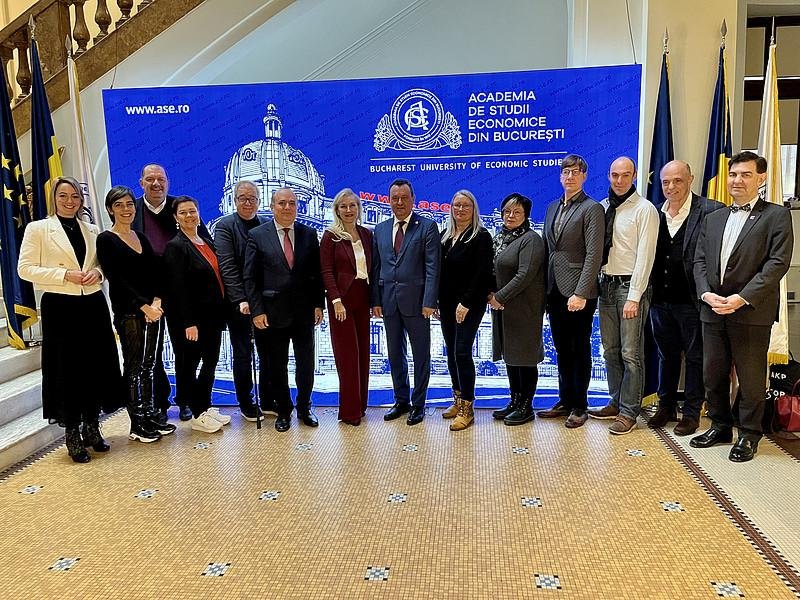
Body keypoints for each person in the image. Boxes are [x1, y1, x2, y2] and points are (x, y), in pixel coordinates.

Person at [691, 151, 793, 462]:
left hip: (750, 311)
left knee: (750, 378)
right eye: (734, 174)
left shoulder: (776, 215)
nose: (737, 180)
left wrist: (741, 298)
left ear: (761, 179)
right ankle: (720, 425)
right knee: (713, 373)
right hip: (713, 309)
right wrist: (706, 294)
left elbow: (777, 264)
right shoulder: (714, 217)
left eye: (745, 174)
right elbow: (699, 261)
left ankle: (749, 433)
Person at [18, 176, 124, 463]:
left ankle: (92, 426)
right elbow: (25, 269)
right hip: (60, 305)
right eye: (64, 196)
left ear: (81, 200)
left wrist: (99, 274)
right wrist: (63, 275)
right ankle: (72, 433)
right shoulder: (38, 229)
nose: (69, 201)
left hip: (92, 303)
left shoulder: (91, 229)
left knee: (94, 365)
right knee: (67, 369)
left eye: (75, 196)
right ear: (54, 198)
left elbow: (101, 263)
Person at [648, 160, 724, 436]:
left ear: (690, 179)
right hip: (659, 299)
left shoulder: (712, 210)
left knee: (695, 357)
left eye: (677, 180)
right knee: (666, 355)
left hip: (693, 301)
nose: (671, 187)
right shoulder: (654, 213)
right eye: (666, 182)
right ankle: (665, 406)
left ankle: (691, 412)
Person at [97, 186, 177, 444]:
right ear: (111, 209)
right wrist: (144, 307)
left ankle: (150, 414)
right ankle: (137, 422)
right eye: (119, 205)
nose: (126, 209)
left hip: (154, 310)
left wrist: (157, 301)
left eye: (129, 204)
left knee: (150, 366)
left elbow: (155, 272)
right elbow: (117, 280)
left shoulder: (141, 237)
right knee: (133, 367)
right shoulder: (106, 240)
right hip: (130, 312)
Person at [243, 187, 325, 432]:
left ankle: (304, 407)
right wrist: (257, 311)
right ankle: (284, 410)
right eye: (282, 203)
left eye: (292, 203)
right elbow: (250, 277)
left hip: (304, 312)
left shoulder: (309, 234)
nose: (287, 207)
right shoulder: (257, 235)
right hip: (272, 313)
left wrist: (319, 304)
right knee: (276, 365)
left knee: (305, 364)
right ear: (272, 206)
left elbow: (316, 273)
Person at [132, 164, 208, 422]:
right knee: (150, 351)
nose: (156, 184)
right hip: (146, 295)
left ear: (168, 182)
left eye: (161, 179)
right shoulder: (131, 211)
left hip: (182, 296)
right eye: (150, 179)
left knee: (184, 351)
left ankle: (185, 400)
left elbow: (205, 245)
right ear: (141, 183)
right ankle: (160, 401)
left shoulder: (182, 207)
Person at [588, 157, 658, 435]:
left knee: (631, 353)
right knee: (610, 351)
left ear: (635, 176)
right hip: (606, 285)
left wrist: (635, 296)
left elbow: (645, 256)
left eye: (625, 175)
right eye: (615, 175)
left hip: (630, 287)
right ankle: (616, 401)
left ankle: (629, 411)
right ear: (608, 175)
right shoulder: (603, 208)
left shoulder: (645, 209)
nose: (619, 180)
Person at [538, 155, 604, 428]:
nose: (570, 176)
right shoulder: (553, 207)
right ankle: (565, 400)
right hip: (554, 288)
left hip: (578, 291)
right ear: (560, 176)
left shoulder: (592, 208)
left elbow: (593, 255)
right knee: (562, 349)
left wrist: (581, 292)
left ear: (584, 176)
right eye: (565, 171)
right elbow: (547, 250)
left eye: (575, 172)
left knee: (579, 349)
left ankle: (579, 405)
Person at [371, 179, 441, 426]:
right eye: (394, 198)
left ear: (413, 199)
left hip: (418, 304)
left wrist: (430, 300)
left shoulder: (427, 227)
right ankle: (401, 401)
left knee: (421, 355)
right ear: (389, 200)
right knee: (394, 355)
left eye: (404, 198)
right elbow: (376, 268)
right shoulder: (379, 229)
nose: (399, 203)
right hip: (388, 303)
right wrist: (376, 301)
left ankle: (418, 404)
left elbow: (433, 267)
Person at [162, 196, 228, 434]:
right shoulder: (176, 246)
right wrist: (188, 322)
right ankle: (195, 411)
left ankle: (206, 406)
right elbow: (176, 289)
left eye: (193, 211)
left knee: (211, 362)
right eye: (183, 213)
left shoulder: (206, 241)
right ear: (175, 218)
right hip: (192, 321)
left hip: (213, 318)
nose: (189, 216)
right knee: (189, 365)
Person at [214, 180, 272, 422]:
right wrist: (240, 299)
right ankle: (246, 401)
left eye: (252, 198)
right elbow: (227, 267)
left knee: (269, 352)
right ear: (234, 200)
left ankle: (268, 399)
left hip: (266, 301)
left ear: (259, 201)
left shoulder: (267, 223)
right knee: (243, 353)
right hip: (239, 304)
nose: (248, 203)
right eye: (242, 198)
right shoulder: (225, 226)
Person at [437, 190, 493, 431]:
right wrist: (438, 302)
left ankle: (467, 408)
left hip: (469, 303)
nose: (460, 209)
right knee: (451, 352)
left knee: (462, 351)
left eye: (466, 206)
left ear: (474, 209)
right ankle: (457, 400)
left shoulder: (481, 236)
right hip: (447, 303)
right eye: (456, 205)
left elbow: (482, 274)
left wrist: (467, 302)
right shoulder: (445, 236)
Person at [489, 193, 546, 426]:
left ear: (526, 216)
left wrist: (499, 296)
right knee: (511, 356)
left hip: (525, 308)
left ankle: (526, 406)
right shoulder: (500, 238)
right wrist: (490, 294)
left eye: (516, 212)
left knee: (525, 357)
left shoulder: (531, 240)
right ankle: (514, 400)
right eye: (507, 212)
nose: (510, 216)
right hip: (503, 307)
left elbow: (524, 275)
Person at [320, 189, 374, 426]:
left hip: (363, 297)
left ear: (358, 208)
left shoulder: (366, 234)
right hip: (341, 301)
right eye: (344, 206)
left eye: (352, 206)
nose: (349, 210)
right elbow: (326, 271)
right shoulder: (330, 236)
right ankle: (350, 412)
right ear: (337, 210)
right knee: (348, 357)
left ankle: (361, 406)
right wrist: (335, 301)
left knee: (363, 354)